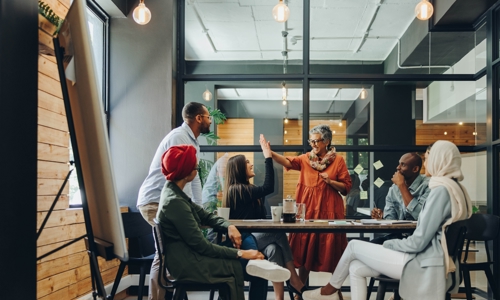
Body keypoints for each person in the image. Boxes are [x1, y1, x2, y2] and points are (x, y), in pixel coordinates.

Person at [302, 140, 473, 300]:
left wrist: (388, 245)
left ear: (439, 159)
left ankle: (329, 290)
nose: (426, 164)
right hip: (430, 258)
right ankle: (330, 289)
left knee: (354, 245)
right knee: (355, 268)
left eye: (428, 159)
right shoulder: (456, 189)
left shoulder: (440, 191)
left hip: (424, 261)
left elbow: (418, 242)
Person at [158, 145, 290, 300]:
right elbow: (202, 246)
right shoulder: (175, 202)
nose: (197, 169)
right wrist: (241, 253)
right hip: (189, 263)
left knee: (256, 262)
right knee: (256, 268)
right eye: (195, 166)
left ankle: (261, 265)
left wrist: (229, 225)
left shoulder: (175, 195)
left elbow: (207, 217)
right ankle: (265, 267)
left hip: (191, 256)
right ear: (186, 172)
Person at [262, 124, 352, 290]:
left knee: (333, 252)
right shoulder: (305, 159)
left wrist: (331, 182)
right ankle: (299, 291)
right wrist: (270, 153)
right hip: (308, 212)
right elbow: (287, 162)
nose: (313, 145)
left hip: (330, 212)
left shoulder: (338, 161)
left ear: (327, 141)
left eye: (317, 141)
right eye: (311, 141)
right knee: (306, 253)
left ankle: (334, 290)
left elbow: (346, 188)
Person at [136, 102, 211, 300]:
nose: (210, 120)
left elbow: (194, 179)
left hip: (165, 201)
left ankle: (175, 294)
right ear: (199, 118)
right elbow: (179, 177)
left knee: (172, 250)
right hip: (155, 201)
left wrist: (199, 211)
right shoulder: (179, 137)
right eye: (208, 116)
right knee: (165, 251)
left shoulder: (192, 142)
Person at [223, 134, 305, 300]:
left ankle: (279, 297)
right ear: (239, 169)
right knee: (278, 232)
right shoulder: (237, 190)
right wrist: (268, 157)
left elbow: (261, 217)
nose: (251, 164)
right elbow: (269, 187)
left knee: (274, 249)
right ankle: (295, 279)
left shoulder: (248, 190)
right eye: (247, 163)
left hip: (254, 237)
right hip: (244, 241)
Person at [370, 152, 431, 244]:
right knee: (365, 246)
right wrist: (382, 218)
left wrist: (402, 186)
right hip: (396, 238)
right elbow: (390, 224)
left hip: (418, 239)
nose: (398, 168)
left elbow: (420, 215)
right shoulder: (394, 189)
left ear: (415, 169)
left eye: (403, 165)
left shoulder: (428, 186)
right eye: (399, 164)